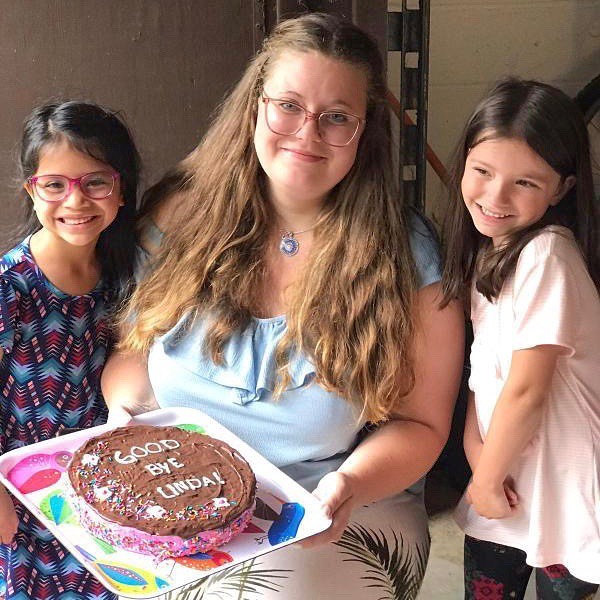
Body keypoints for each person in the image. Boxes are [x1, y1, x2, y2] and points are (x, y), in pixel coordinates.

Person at [103, 13, 464, 600]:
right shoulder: (180, 215)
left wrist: (350, 483)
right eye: (289, 105)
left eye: (337, 116)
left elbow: (420, 425)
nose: (308, 133)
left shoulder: (408, 254)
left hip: (339, 506)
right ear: (255, 107)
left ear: (365, 131)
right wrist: (128, 419)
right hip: (182, 494)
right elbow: (131, 352)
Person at [441, 78, 600, 599]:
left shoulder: (547, 257)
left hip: (559, 486)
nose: (495, 197)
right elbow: (485, 369)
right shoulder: (492, 251)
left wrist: (486, 478)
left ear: (562, 188)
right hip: (505, 470)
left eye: (525, 183)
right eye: (482, 171)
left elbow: (528, 389)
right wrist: (474, 446)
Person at [0, 100, 140, 599]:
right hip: (24, 494)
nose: (75, 201)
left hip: (100, 489)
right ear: (31, 192)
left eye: (95, 182)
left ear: (121, 188)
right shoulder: (11, 283)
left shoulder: (124, 274)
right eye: (55, 184)